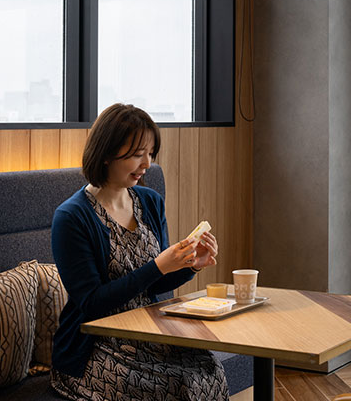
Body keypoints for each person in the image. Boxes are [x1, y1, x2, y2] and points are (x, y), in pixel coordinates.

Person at [50, 103, 228, 400]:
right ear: (106, 153)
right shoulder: (72, 217)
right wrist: (158, 265)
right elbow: (91, 302)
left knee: (208, 372)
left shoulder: (150, 201)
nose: (146, 164)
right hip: (96, 346)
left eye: (150, 153)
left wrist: (190, 265)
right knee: (179, 387)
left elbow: (155, 285)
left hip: (150, 332)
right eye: (136, 154)